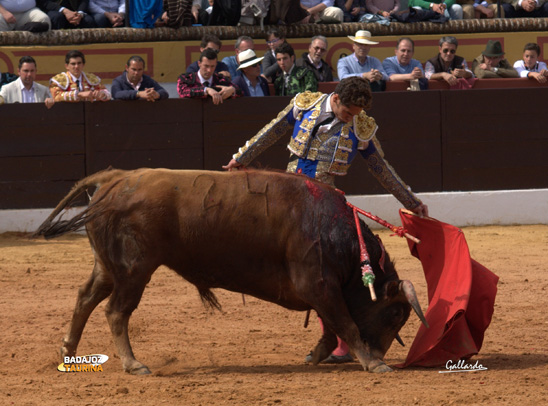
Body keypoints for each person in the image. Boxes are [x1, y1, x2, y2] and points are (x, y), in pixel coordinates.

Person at [222, 77, 428, 363]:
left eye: (356, 114)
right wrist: (241, 157)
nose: (351, 118)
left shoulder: (361, 125)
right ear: (336, 98)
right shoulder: (306, 104)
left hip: (324, 202)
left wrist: (411, 201)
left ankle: (340, 343)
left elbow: (381, 168)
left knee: (326, 271)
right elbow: (271, 132)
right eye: (348, 112)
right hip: (289, 194)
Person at [177, 48, 242, 104]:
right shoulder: (186, 79)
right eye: (206, 66)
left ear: (216, 65)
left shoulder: (221, 79)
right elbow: (183, 92)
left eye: (212, 66)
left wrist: (232, 90)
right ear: (199, 64)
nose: (209, 70)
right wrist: (206, 90)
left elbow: (240, 92)